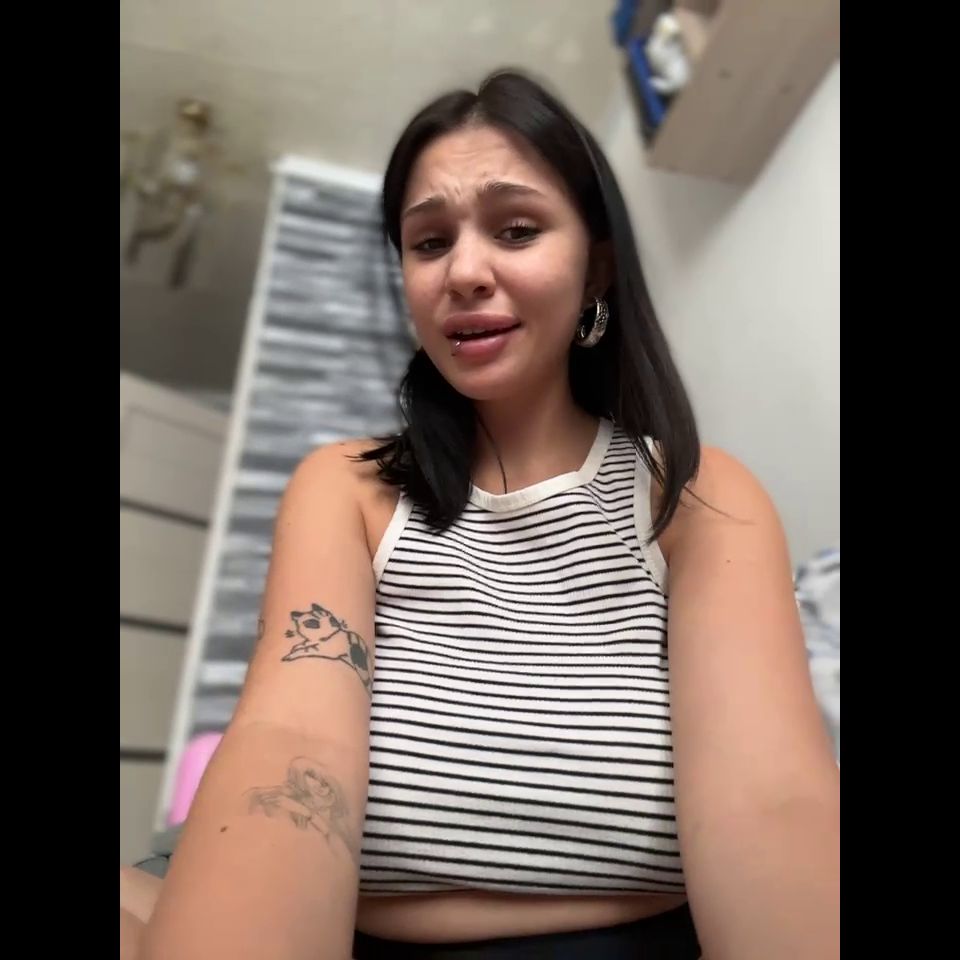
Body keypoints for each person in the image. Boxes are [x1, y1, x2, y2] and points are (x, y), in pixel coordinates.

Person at [121, 69, 840, 960]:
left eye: (516, 229)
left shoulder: (697, 496)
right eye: (429, 243)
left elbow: (772, 800)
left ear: (597, 265)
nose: (463, 272)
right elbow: (290, 738)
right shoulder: (344, 488)